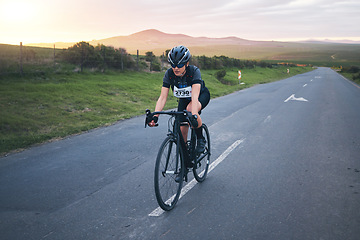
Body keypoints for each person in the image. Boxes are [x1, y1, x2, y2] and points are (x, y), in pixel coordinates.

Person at [148, 45, 210, 156]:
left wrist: (194, 115)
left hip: (200, 96)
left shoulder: (194, 71)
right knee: (182, 126)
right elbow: (162, 97)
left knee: (190, 109)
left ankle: (201, 139)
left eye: (180, 65)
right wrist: (155, 116)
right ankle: (185, 155)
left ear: (186, 63)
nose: (176, 68)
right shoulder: (170, 74)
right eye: (173, 65)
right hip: (184, 100)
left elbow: (195, 96)